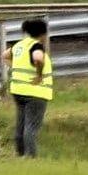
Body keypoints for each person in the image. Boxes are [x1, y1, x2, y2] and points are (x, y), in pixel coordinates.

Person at [8, 17, 52, 158]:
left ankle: (20, 153)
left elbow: (4, 56)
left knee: (20, 125)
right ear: (42, 34)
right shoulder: (36, 45)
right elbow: (38, 58)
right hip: (35, 92)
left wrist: (14, 67)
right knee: (31, 127)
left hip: (18, 91)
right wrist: (39, 75)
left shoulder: (20, 45)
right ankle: (30, 156)